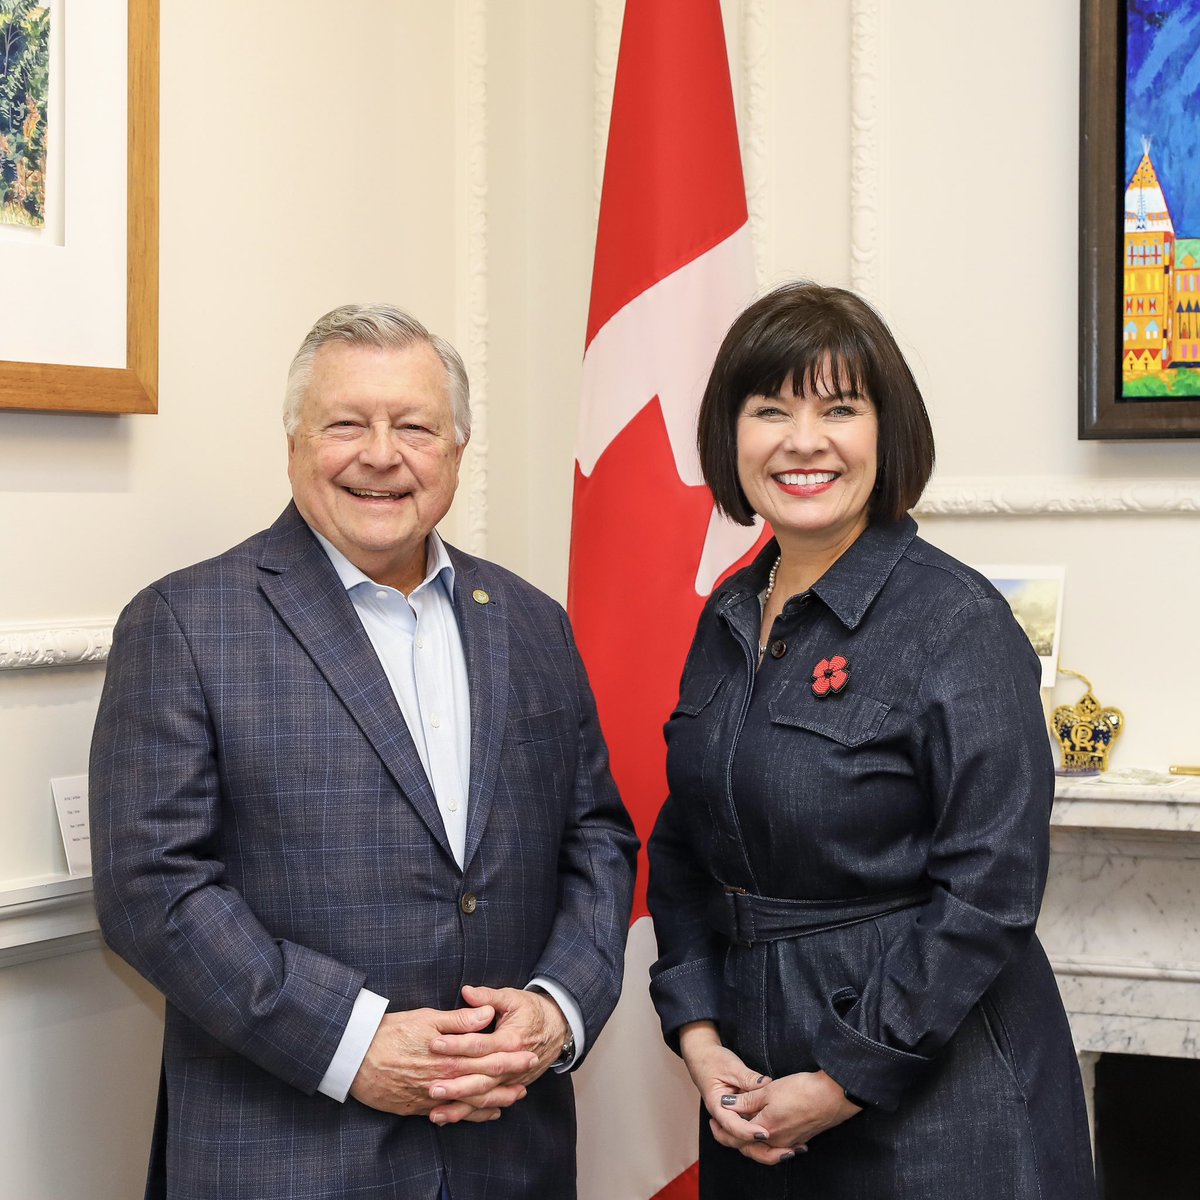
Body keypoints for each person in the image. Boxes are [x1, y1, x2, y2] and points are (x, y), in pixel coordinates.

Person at [90, 303, 638, 1200]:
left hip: (510, 1152)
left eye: (415, 426)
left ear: (457, 451)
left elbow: (598, 843)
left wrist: (555, 1010)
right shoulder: (185, 624)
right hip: (293, 1154)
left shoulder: (534, 623)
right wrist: (353, 1044)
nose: (381, 454)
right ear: (296, 443)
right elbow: (152, 887)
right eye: (347, 423)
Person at [647, 282, 1095, 1198]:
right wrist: (696, 1034)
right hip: (755, 1093)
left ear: (887, 433)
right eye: (770, 409)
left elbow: (991, 891)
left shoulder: (958, 621)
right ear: (731, 437)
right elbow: (686, 839)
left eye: (839, 409)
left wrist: (851, 1073)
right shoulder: (729, 613)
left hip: (943, 1105)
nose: (802, 441)